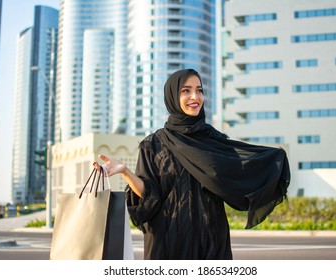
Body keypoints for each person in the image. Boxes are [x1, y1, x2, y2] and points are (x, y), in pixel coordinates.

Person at [94, 69, 290, 260]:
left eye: (199, 90)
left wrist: (272, 161)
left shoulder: (215, 140)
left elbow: (238, 177)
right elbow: (149, 193)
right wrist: (125, 171)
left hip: (211, 239)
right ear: (172, 96)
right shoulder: (154, 144)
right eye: (186, 91)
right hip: (168, 241)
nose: (195, 96)